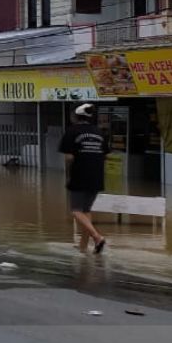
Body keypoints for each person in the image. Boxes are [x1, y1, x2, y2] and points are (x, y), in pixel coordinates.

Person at [58, 103, 109, 254]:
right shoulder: (99, 133)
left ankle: (97, 237)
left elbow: (68, 157)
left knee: (76, 211)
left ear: (75, 116)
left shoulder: (72, 131)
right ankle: (83, 246)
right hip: (97, 177)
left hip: (80, 175)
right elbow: (106, 155)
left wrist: (69, 174)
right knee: (86, 211)